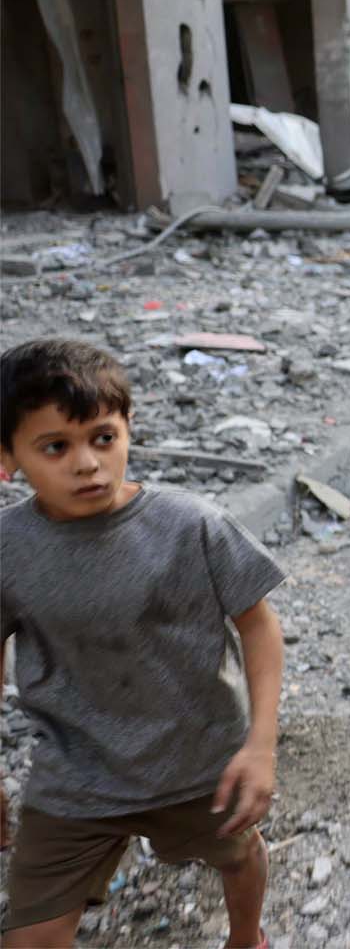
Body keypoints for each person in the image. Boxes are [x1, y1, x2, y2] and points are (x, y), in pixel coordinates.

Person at [0, 339, 286, 949]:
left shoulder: (190, 525)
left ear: (128, 430)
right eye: (56, 447)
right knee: (31, 938)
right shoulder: (8, 549)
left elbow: (258, 626)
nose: (87, 463)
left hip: (200, 762)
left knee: (236, 858)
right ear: (7, 458)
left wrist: (260, 746)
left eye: (103, 438)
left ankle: (246, 938)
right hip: (76, 775)